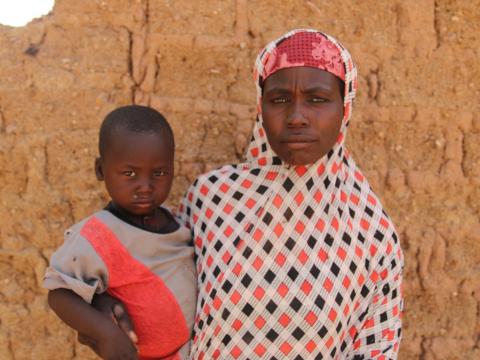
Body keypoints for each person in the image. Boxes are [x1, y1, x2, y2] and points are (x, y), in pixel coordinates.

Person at [87, 29, 404, 359]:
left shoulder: (370, 233)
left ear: (345, 108)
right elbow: (154, 281)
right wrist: (102, 305)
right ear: (260, 106)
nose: (297, 117)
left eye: (318, 99)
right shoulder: (212, 199)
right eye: (279, 100)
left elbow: (377, 348)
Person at [44, 105, 197, 360]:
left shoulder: (178, 222)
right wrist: (106, 333)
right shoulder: (98, 235)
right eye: (129, 173)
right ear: (101, 171)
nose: (145, 187)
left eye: (158, 173)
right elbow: (59, 293)